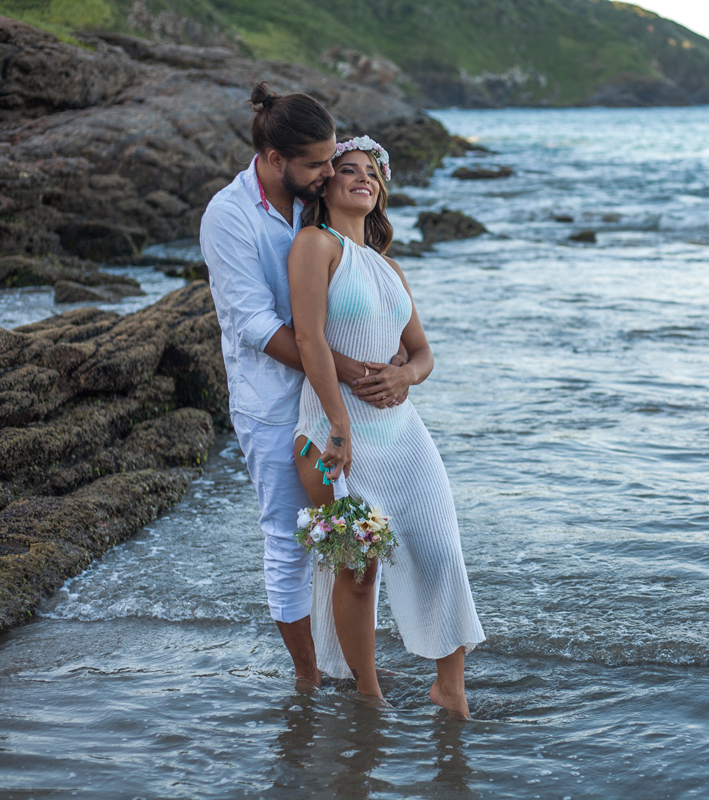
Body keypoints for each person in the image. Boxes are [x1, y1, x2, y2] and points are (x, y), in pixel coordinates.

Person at [200, 84, 405, 693]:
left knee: (355, 532)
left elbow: (352, 273)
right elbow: (256, 325)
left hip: (337, 404)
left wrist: (388, 349)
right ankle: (308, 671)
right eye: (316, 164)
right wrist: (343, 366)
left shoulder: (308, 202)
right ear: (272, 159)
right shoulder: (229, 216)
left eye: (330, 159)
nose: (327, 173)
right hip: (272, 403)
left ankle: (350, 662)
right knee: (290, 537)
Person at [288, 135, 485, 717]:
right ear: (324, 184)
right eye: (348, 170)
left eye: (372, 173)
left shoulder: (389, 267)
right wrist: (341, 424)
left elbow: (422, 353)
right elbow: (309, 339)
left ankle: (450, 685)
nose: (362, 179)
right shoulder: (313, 245)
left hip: (402, 434)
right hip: (331, 431)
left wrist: (408, 379)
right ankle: (367, 694)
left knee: (443, 551)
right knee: (357, 567)